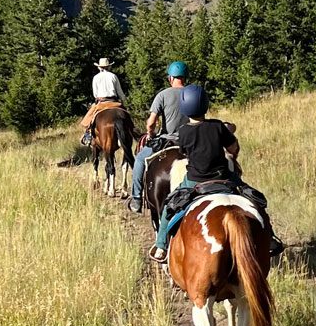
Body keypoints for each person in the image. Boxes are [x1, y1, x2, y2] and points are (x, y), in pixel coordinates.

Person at [148, 83, 279, 263]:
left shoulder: (184, 131)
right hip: (224, 178)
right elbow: (233, 147)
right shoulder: (218, 126)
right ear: (205, 104)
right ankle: (270, 237)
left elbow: (184, 152)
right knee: (255, 199)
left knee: (169, 207)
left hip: (195, 181)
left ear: (185, 107)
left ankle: (161, 245)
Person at [128, 61, 189, 214]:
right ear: (185, 77)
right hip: (190, 141)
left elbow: (151, 123)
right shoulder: (193, 93)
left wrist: (151, 133)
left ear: (170, 78)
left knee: (140, 159)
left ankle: (136, 198)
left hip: (167, 140)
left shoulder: (163, 95)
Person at [79, 57, 126, 146]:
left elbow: (95, 94)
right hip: (114, 102)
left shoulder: (96, 77)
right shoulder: (113, 76)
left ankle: (88, 135)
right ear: (109, 67)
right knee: (127, 117)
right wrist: (123, 100)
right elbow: (120, 92)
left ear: (99, 67)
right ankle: (131, 132)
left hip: (101, 102)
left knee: (88, 120)